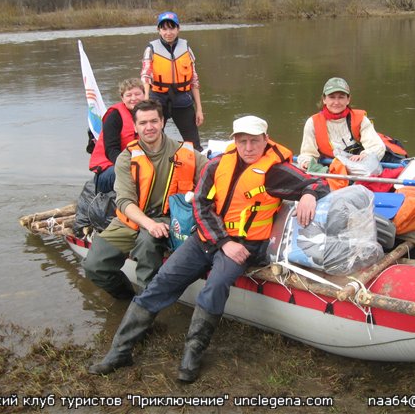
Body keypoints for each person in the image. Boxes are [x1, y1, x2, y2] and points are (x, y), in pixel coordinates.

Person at [88, 115, 330, 382]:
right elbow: (200, 205)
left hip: (244, 245)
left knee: (214, 288)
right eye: (243, 141)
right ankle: (120, 352)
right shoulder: (216, 165)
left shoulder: (275, 171)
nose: (249, 148)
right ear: (235, 140)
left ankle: (192, 354)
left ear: (265, 140)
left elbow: (318, 183)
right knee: (162, 282)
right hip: (207, 239)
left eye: (254, 142)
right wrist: (222, 241)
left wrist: (309, 194)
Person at [83, 100, 208, 299]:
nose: (149, 127)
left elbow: (216, 175)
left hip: (167, 218)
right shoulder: (126, 158)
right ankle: (129, 301)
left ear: (162, 122)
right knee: (94, 266)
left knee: (147, 244)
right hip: (131, 220)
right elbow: (124, 202)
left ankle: (146, 307)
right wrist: (148, 223)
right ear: (135, 126)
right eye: (143, 123)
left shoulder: (186, 153)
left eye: (153, 121)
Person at [141, 11, 204, 151]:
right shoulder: (151, 49)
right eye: (164, 29)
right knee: (154, 142)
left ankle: (197, 167)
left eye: (172, 28)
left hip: (182, 98)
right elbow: (146, 75)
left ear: (178, 29)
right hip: (158, 98)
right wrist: (146, 100)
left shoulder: (186, 47)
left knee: (194, 144)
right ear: (159, 30)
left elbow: (194, 79)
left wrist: (199, 109)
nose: (168, 32)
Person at [88, 78, 143, 193]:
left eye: (137, 94)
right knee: (138, 173)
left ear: (144, 94)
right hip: (109, 170)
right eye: (129, 95)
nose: (133, 98)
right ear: (122, 98)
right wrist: (132, 166)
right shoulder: (114, 116)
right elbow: (111, 150)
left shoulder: (149, 114)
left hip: (138, 164)